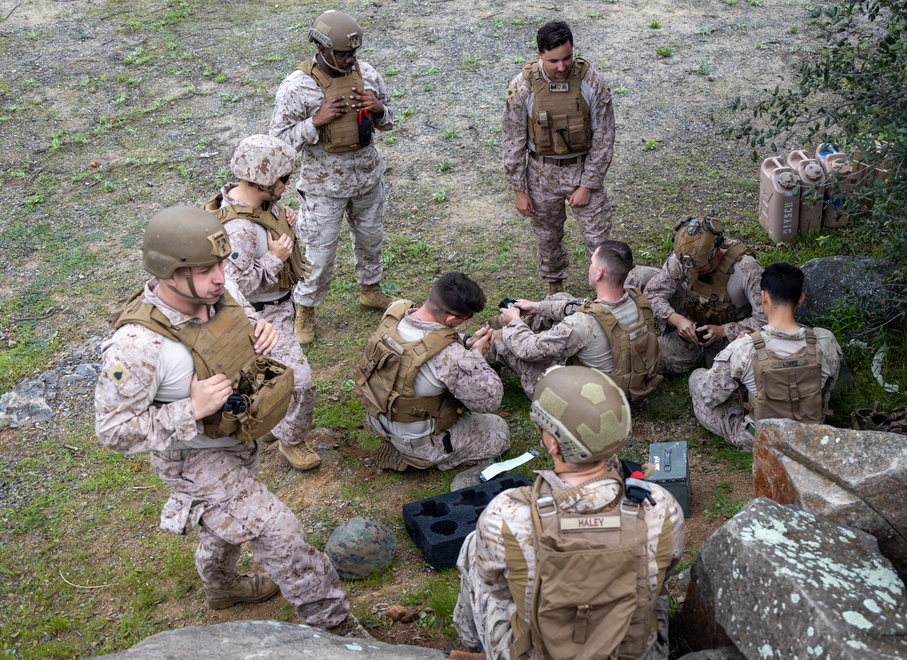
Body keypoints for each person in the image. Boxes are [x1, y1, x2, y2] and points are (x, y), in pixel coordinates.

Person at [94, 207, 364, 636]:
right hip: (193, 459)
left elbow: (240, 320)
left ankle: (221, 587)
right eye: (206, 269)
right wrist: (191, 407)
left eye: (221, 263)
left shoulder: (218, 291)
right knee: (280, 532)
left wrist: (260, 330)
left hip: (239, 437)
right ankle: (339, 630)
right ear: (169, 274)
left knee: (227, 521)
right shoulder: (136, 346)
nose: (221, 276)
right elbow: (112, 431)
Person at [453, 365, 686, 660]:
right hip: (634, 658)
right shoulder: (660, 506)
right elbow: (668, 568)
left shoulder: (506, 514)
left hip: (538, 659)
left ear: (552, 442)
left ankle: (469, 639)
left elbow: (497, 587)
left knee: (474, 545)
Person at [270, 9, 396, 346]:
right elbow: (278, 141)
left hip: (368, 179)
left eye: (353, 53)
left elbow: (390, 118)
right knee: (319, 254)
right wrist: (316, 122)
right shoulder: (297, 87)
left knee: (371, 240)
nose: (350, 59)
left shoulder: (367, 74)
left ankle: (371, 291)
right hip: (324, 188)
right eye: (342, 53)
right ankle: (305, 308)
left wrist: (379, 109)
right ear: (322, 47)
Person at [204, 134, 320, 471]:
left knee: (273, 378)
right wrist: (274, 258)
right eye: (283, 179)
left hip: (278, 306)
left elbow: (265, 221)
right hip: (261, 316)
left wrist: (283, 219)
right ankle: (291, 439)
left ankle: (273, 420)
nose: (287, 184)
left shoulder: (252, 203)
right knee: (301, 383)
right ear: (265, 181)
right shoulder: (238, 227)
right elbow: (232, 287)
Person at [354, 272, 510, 472]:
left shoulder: (396, 310)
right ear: (451, 319)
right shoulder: (450, 357)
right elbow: (489, 400)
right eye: (465, 318)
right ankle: (422, 457)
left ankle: (400, 443)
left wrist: (466, 342)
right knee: (498, 431)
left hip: (377, 416)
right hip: (418, 441)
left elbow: (425, 339)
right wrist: (476, 355)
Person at [503, 20, 615, 294]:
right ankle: (555, 290)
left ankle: (607, 294)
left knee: (598, 240)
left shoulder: (591, 82)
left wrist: (587, 185)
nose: (562, 67)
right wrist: (519, 190)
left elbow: (604, 137)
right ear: (540, 54)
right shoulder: (523, 87)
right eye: (553, 61)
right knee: (547, 238)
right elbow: (513, 140)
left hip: (582, 170)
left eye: (567, 58)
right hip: (541, 174)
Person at [688, 262, 843, 451]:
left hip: (761, 440)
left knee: (697, 378)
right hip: (808, 434)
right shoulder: (826, 341)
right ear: (801, 299)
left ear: (763, 298)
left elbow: (709, 395)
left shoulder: (744, 348)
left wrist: (735, 347)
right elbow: (827, 390)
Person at [491, 240, 661, 401]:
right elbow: (588, 307)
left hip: (593, 401)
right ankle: (505, 322)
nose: (589, 267)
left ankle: (478, 353)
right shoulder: (636, 297)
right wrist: (537, 306)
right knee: (561, 299)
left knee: (500, 341)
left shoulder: (582, 325)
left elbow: (529, 348)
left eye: (592, 263)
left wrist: (515, 322)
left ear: (600, 273)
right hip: (627, 380)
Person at [629, 216, 767, 374]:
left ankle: (702, 355)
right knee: (638, 276)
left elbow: (766, 319)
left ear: (715, 252)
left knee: (651, 358)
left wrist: (722, 331)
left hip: (728, 334)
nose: (693, 271)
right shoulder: (687, 255)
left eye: (700, 268)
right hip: (692, 313)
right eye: (690, 267)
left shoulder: (746, 268)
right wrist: (677, 320)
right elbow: (653, 293)